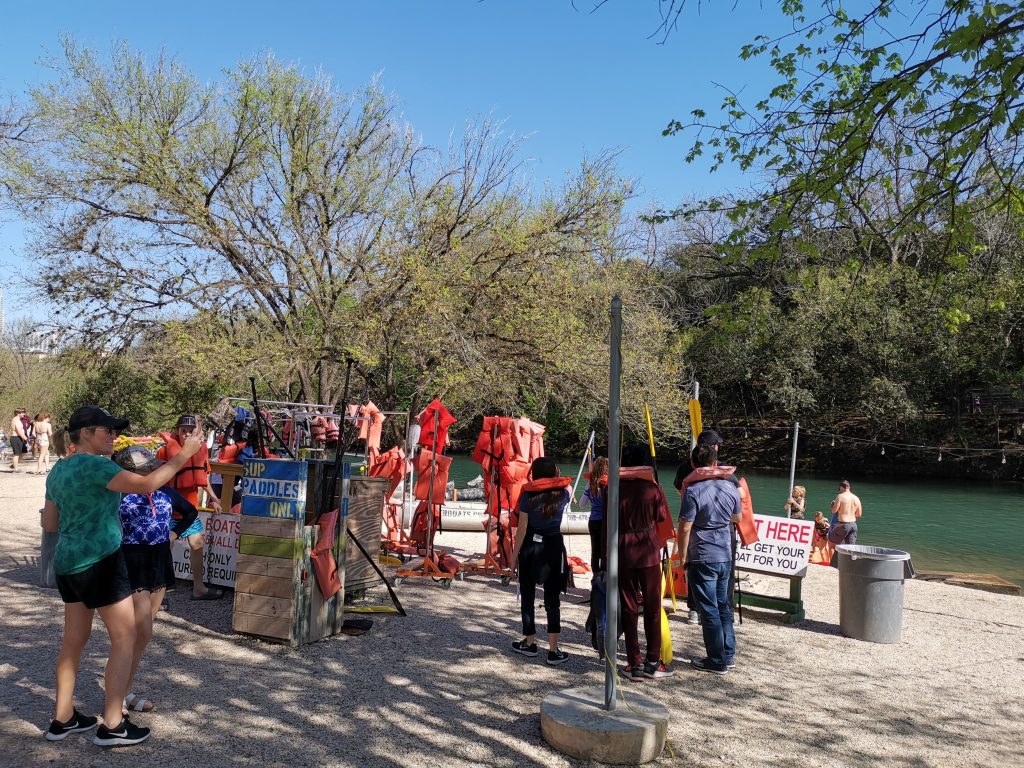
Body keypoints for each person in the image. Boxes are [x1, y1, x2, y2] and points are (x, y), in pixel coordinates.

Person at [42, 405, 203, 747]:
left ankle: (63, 718)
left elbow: (49, 524)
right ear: (85, 433)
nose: (114, 437)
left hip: (68, 564)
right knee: (125, 638)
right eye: (107, 431)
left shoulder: (58, 470)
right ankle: (113, 725)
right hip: (100, 560)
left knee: (73, 642)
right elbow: (147, 482)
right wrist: (185, 455)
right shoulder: (98, 465)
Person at [112, 445, 198, 714]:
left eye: (153, 466)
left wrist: (174, 535)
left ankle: (125, 691)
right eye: (146, 468)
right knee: (141, 629)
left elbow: (191, 512)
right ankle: (118, 695)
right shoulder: (117, 493)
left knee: (143, 634)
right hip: (131, 560)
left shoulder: (165, 491)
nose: (153, 471)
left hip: (159, 562)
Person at [678, 444, 741, 675]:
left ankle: (716, 660)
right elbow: (738, 517)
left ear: (693, 464)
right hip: (725, 553)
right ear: (716, 463)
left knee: (709, 609)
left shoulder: (693, 491)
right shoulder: (730, 486)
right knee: (723, 604)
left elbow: (685, 527)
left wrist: (682, 556)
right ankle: (728, 653)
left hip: (703, 554)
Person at [617, 445, 674, 681]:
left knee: (630, 608)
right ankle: (653, 660)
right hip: (649, 549)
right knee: (652, 607)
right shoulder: (653, 489)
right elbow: (660, 517)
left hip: (624, 549)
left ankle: (634, 663)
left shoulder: (614, 489)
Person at [510, 457, 572, 665]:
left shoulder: (528, 496)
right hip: (554, 546)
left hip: (531, 547)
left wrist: (513, 557)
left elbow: (522, 528)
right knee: (552, 599)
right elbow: (568, 487)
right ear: (555, 472)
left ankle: (530, 643)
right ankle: (553, 650)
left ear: (533, 474)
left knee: (527, 595)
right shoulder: (563, 494)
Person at [156, 415, 222, 600]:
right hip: (167, 508)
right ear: (177, 431)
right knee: (164, 546)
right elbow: (153, 476)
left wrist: (214, 498)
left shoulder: (200, 451)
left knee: (197, 543)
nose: (186, 435)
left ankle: (198, 588)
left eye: (190, 431)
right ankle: (159, 593)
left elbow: (203, 476)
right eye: (182, 431)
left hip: (189, 509)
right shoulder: (164, 451)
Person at [585, 455, 608, 573]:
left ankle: (595, 577)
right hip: (606, 521)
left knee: (595, 551)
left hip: (593, 521)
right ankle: (604, 576)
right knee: (605, 551)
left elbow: (582, 504)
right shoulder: (609, 485)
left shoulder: (590, 484)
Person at [828, 480, 863, 548]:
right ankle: (850, 558)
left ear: (841, 487)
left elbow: (834, 511)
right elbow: (859, 514)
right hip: (853, 525)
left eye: (839, 489)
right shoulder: (856, 498)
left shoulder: (840, 496)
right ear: (849, 487)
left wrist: (832, 505)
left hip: (843, 525)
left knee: (831, 544)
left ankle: (833, 559)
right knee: (851, 549)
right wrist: (850, 514)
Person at [9, 408, 28, 473]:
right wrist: (26, 439)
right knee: (16, 454)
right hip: (15, 438)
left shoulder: (17, 420)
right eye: (22, 413)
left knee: (24, 451)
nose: (24, 414)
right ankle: (15, 469)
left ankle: (13, 464)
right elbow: (19, 432)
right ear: (18, 413)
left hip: (18, 438)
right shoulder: (16, 420)